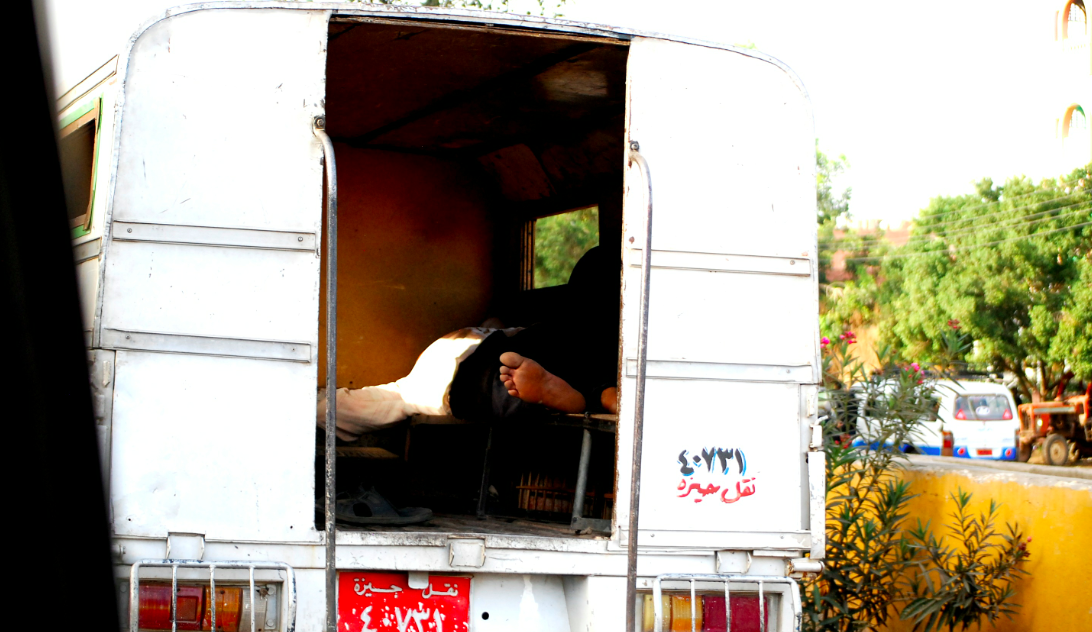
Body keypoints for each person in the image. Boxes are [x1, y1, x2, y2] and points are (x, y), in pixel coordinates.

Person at [318, 246, 620, 442]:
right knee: (402, 398)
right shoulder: (605, 333)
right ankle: (576, 397)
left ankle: (573, 395)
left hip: (481, 350)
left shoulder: (564, 323)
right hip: (475, 362)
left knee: (397, 396)